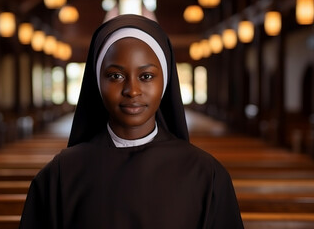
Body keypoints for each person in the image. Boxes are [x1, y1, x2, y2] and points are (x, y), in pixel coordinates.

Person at [19, 14, 244, 229]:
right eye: (115, 76)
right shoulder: (60, 174)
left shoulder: (207, 174)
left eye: (146, 76)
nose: (132, 90)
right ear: (97, 82)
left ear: (164, 82)